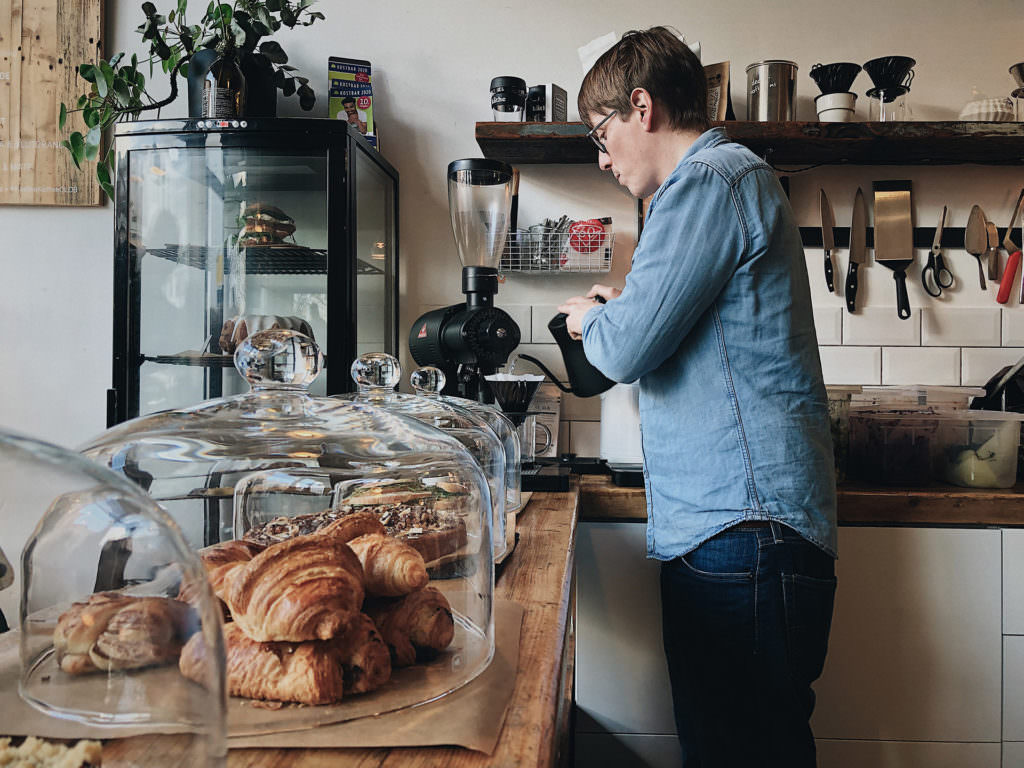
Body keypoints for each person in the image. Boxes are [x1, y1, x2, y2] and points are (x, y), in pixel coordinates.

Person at [557, 27, 838, 768]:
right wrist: (625, 307)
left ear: (640, 107)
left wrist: (595, 320)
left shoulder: (709, 181)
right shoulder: (729, 181)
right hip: (745, 531)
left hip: (742, 529)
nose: (601, 154)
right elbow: (679, 326)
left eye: (601, 131)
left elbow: (623, 349)